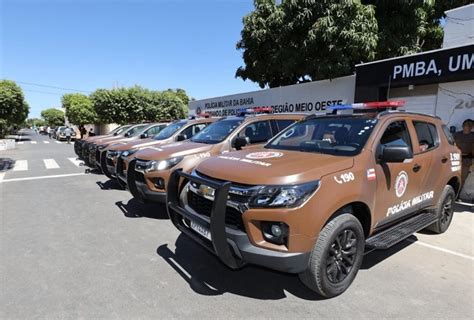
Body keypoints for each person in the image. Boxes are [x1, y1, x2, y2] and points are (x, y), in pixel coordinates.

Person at [453, 119, 474, 185]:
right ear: (463, 126)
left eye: (471, 125)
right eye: (467, 125)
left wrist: (473, 163)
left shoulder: (473, 136)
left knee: (463, 178)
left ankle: (458, 193)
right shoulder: (456, 135)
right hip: (455, 159)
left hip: (467, 160)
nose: (468, 127)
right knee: (454, 176)